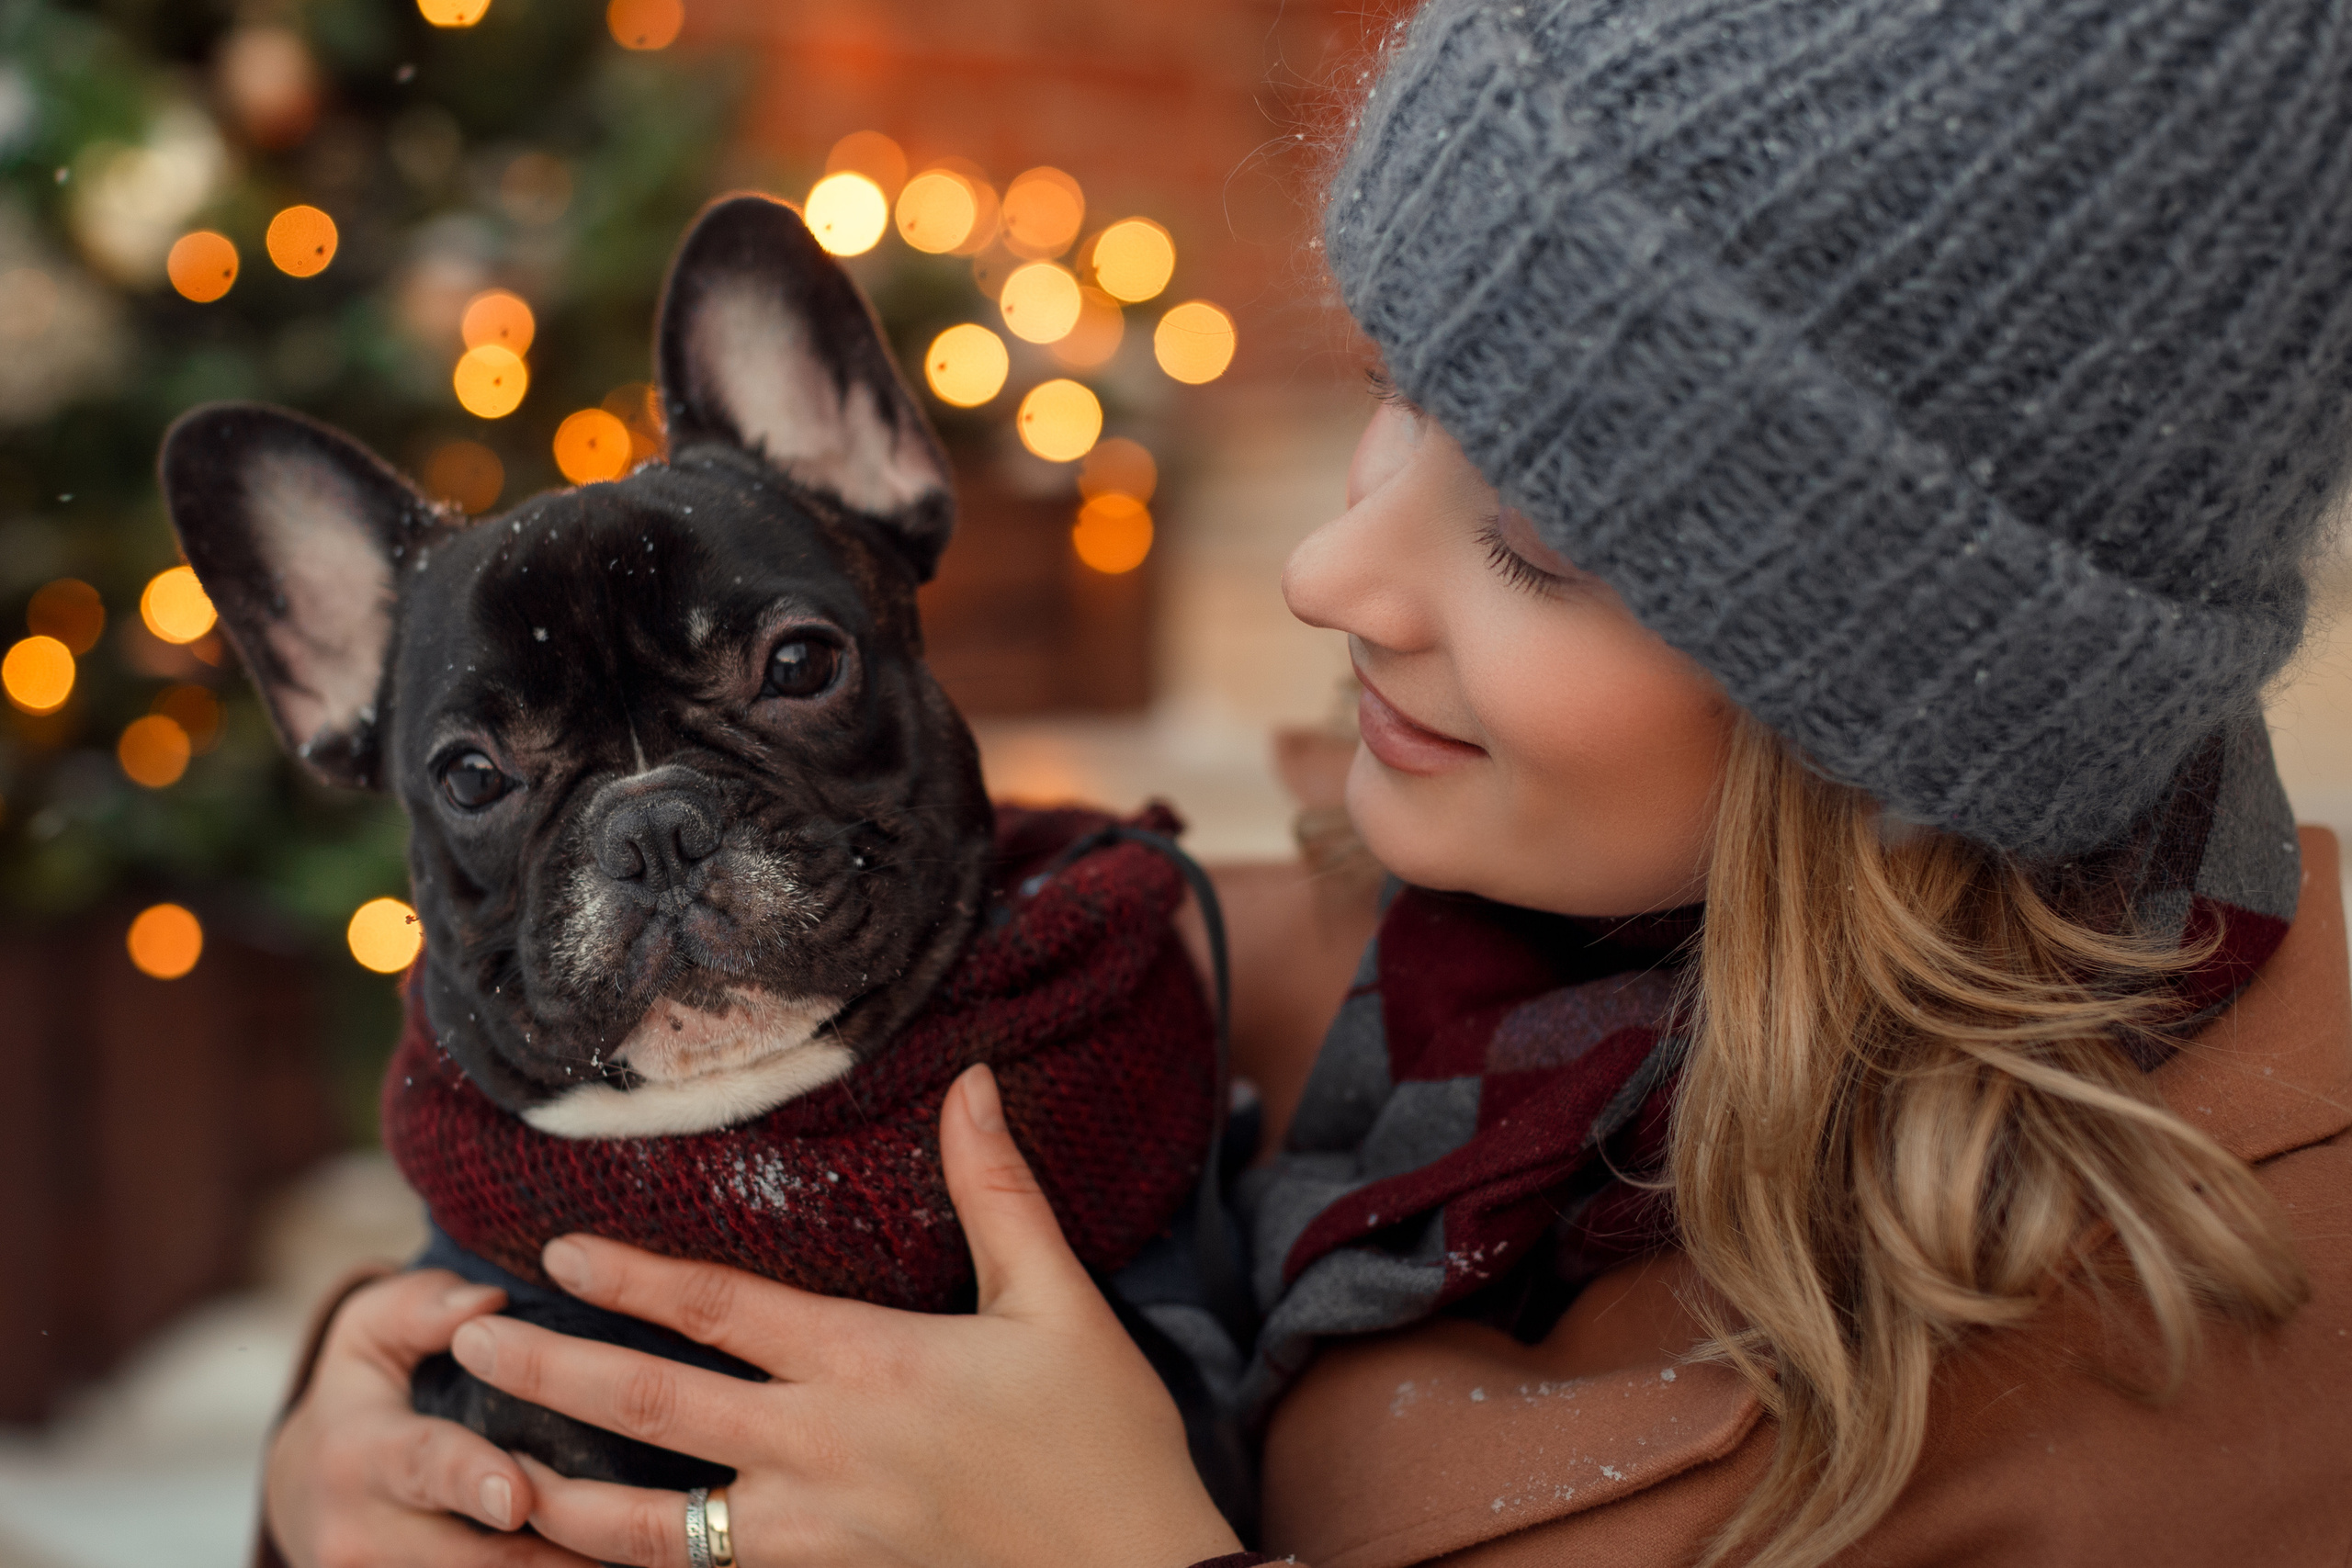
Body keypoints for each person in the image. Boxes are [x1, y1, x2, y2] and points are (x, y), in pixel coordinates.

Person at [256, 0, 2352, 1563]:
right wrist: (359, 1448)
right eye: (1388, 397)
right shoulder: (1219, 954)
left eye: (1534, 537)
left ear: (1898, 688)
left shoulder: (2215, 1323)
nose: (1326, 567)